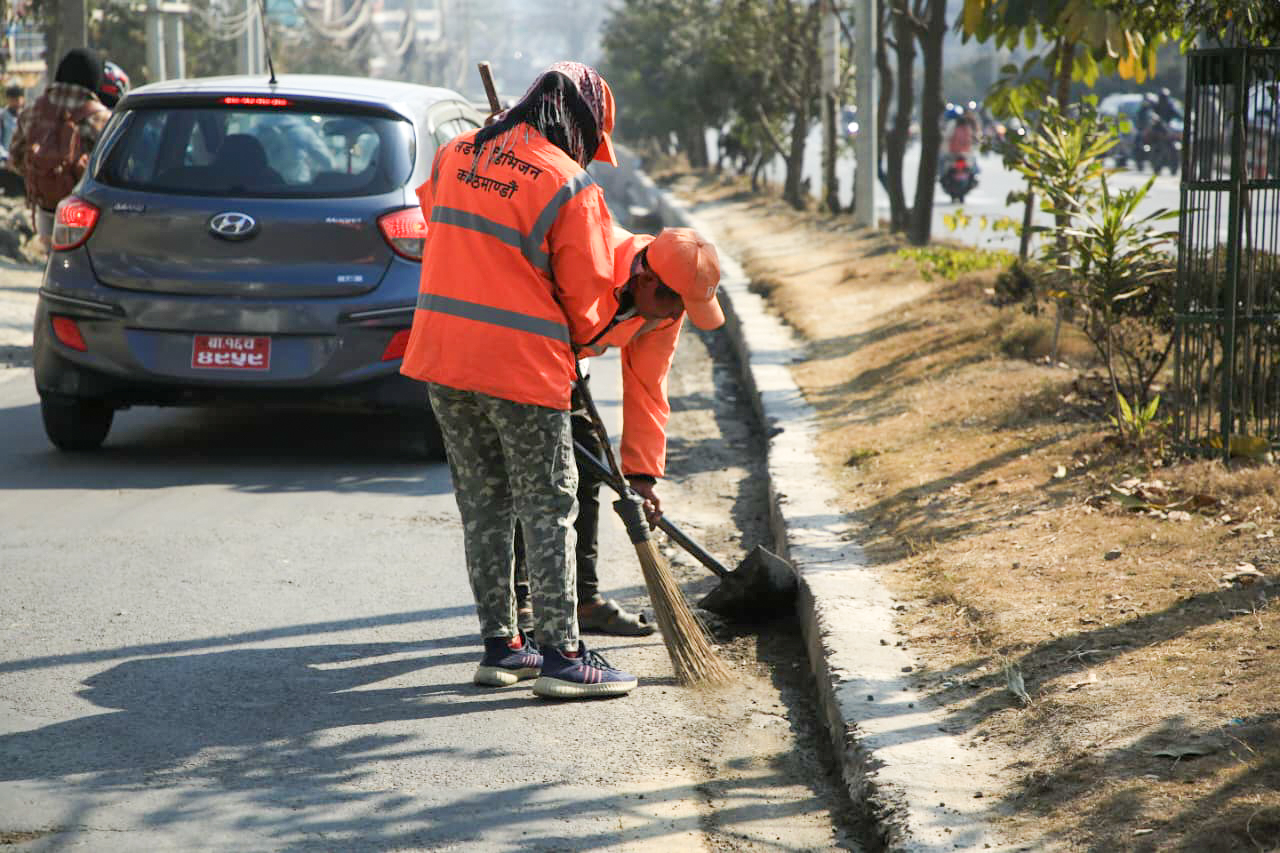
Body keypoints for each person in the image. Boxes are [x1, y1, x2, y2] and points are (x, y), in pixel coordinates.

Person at [400, 61, 641, 700]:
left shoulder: (456, 153)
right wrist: (591, 338)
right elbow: (587, 303)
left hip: (444, 359)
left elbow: (436, 220)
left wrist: (495, 161)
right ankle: (563, 656)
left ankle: (502, 648)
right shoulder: (570, 185)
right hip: (521, 368)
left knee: (484, 504)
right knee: (549, 505)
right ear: (581, 124)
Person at [512, 225, 725, 638]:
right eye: (673, 302)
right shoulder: (588, 258)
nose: (674, 315)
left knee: (586, 470)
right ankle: (519, 600)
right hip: (520, 355)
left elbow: (648, 385)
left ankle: (583, 599)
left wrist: (642, 476)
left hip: (570, 367)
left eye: (684, 308)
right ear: (645, 279)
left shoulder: (664, 311)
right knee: (529, 474)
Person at [8, 48, 112, 252]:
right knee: (79, 260)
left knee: (53, 257)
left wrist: (42, 174)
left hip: (44, 204)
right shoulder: (100, 118)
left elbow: (15, 157)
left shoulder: (33, 110)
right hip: (83, 210)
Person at [0, 83, 25, 165]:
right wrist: (6, 156)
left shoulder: (27, 117)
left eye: (18, 100)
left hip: (23, 162)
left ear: (22, 99)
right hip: (5, 161)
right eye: (13, 100)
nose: (16, 103)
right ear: (8, 100)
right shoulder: (2, 116)